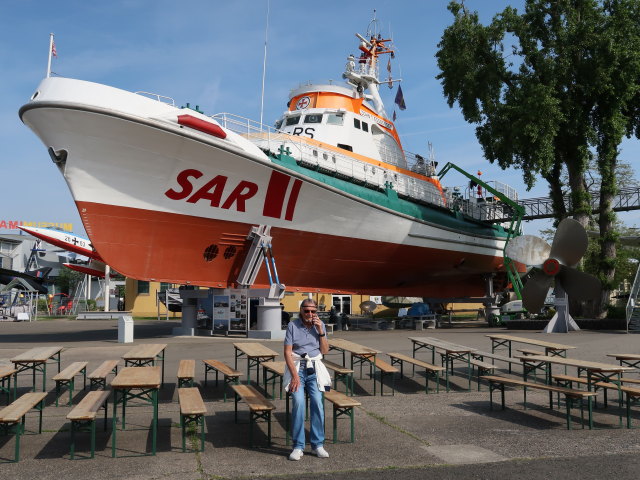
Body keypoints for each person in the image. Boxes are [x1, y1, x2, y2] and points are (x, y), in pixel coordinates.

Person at [283, 299, 332, 461]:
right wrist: (295, 377)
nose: (310, 314)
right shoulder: (293, 325)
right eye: (306, 311)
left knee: (317, 402)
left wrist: (320, 331)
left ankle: (318, 444)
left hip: (314, 368)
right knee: (298, 402)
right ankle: (298, 446)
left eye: (313, 311)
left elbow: (325, 351)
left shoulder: (320, 325)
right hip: (297, 368)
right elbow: (287, 353)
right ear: (301, 310)